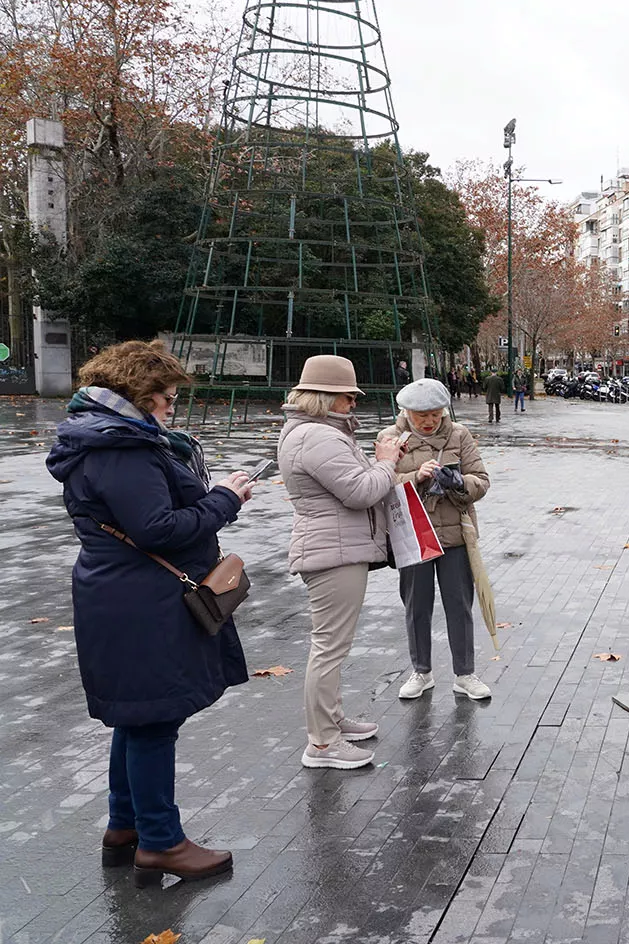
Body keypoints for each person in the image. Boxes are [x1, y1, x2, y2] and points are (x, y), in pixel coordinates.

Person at [46, 340, 255, 885]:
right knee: (154, 721)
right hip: (142, 601)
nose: (170, 403)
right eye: (164, 393)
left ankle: (125, 825)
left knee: (138, 715)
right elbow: (156, 528)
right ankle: (161, 842)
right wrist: (226, 499)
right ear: (136, 392)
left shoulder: (111, 438)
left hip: (125, 594)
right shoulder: (123, 449)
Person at [278, 355, 402, 770]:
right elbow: (361, 491)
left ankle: (331, 722)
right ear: (325, 398)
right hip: (333, 553)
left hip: (334, 547)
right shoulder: (318, 438)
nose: (354, 404)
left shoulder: (314, 433)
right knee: (329, 647)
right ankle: (324, 743)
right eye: (349, 397)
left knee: (332, 644)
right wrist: (386, 460)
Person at [377, 379, 493, 700]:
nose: (429, 421)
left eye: (435, 414)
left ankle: (465, 673)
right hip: (412, 536)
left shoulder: (459, 435)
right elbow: (381, 483)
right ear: (406, 412)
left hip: (455, 535)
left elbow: (481, 481)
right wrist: (417, 477)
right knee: (417, 606)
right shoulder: (389, 439)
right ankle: (421, 671)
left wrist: (457, 481)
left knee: (459, 605)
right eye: (420, 415)